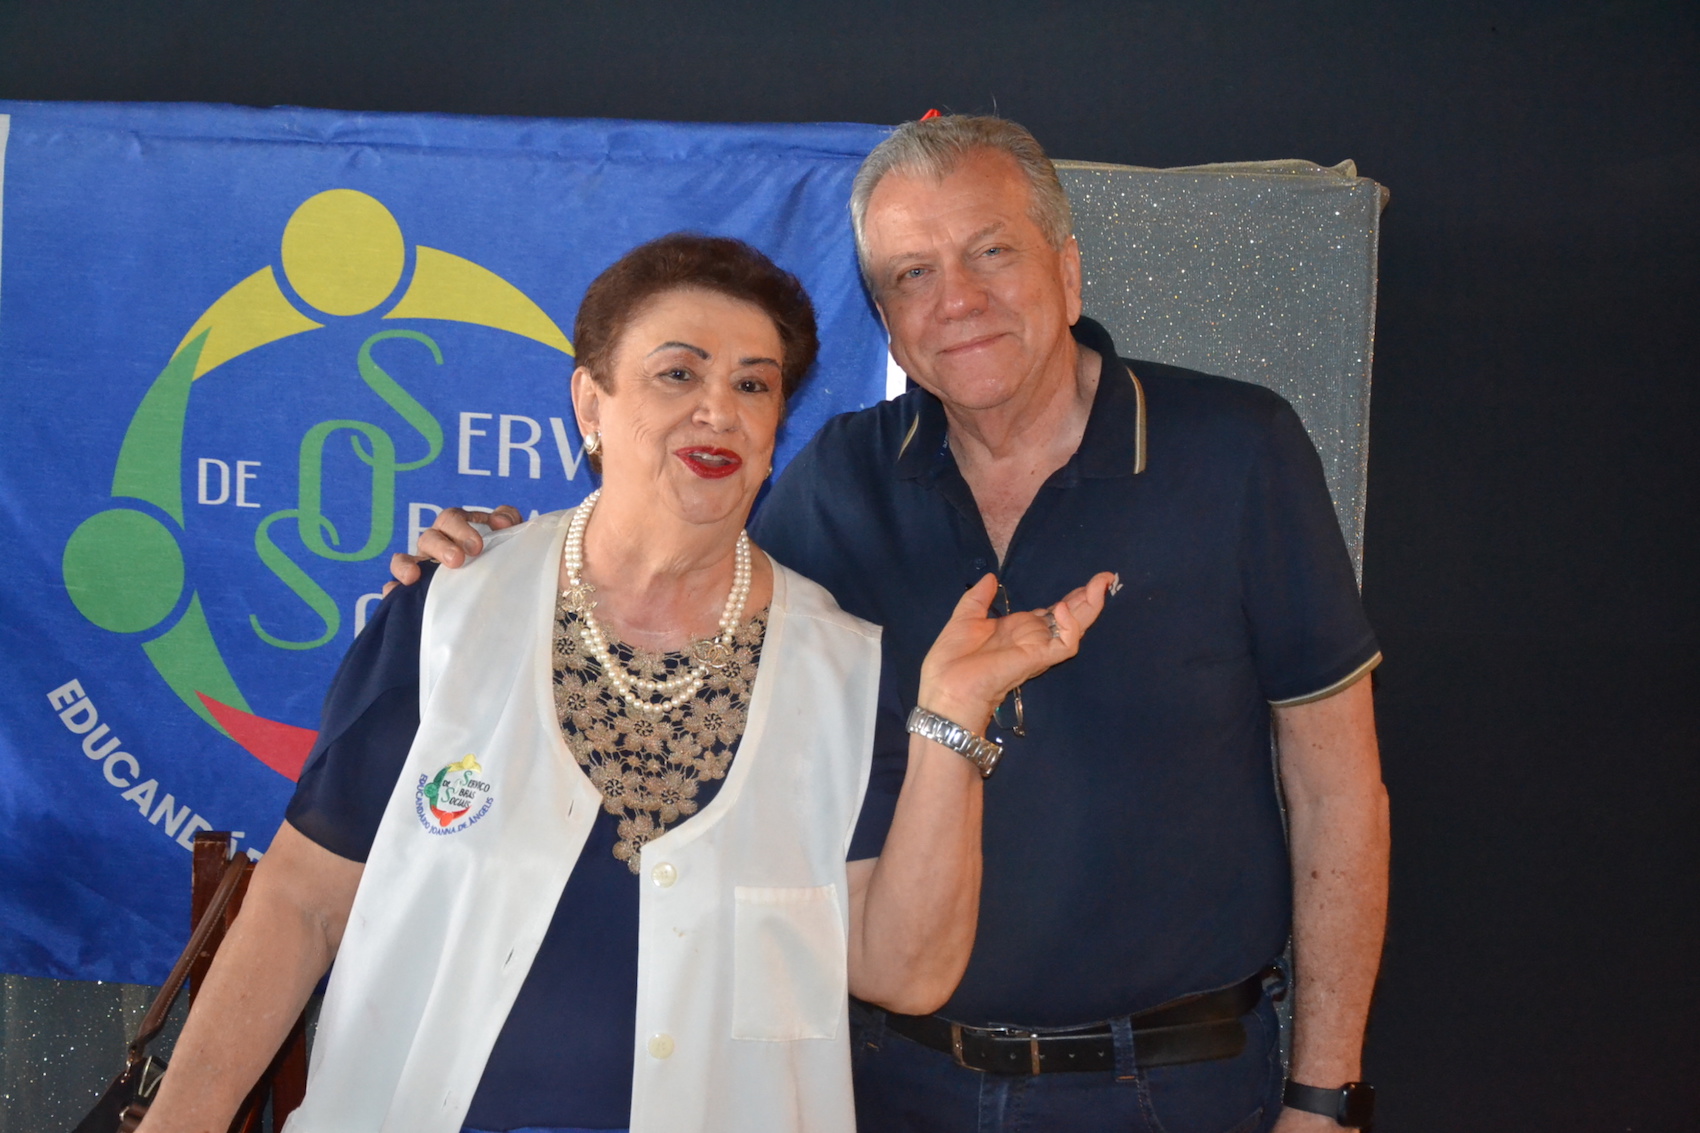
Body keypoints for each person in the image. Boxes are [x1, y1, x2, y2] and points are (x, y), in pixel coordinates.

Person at [409, 117, 1389, 1133]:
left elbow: (1337, 791)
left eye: (990, 251)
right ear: (884, 319)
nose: (955, 299)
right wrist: (501, 561)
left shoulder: (1237, 452)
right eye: (912, 274)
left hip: (1168, 1088)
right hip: (882, 1081)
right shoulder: (838, 480)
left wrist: (1323, 1095)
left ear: (1066, 270)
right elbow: (667, 609)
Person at [137, 233, 1113, 1133]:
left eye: (753, 383)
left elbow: (903, 970)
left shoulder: (844, 668)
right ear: (589, 403)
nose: (718, 409)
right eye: (677, 372)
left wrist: (951, 719)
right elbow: (303, 902)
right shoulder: (450, 609)